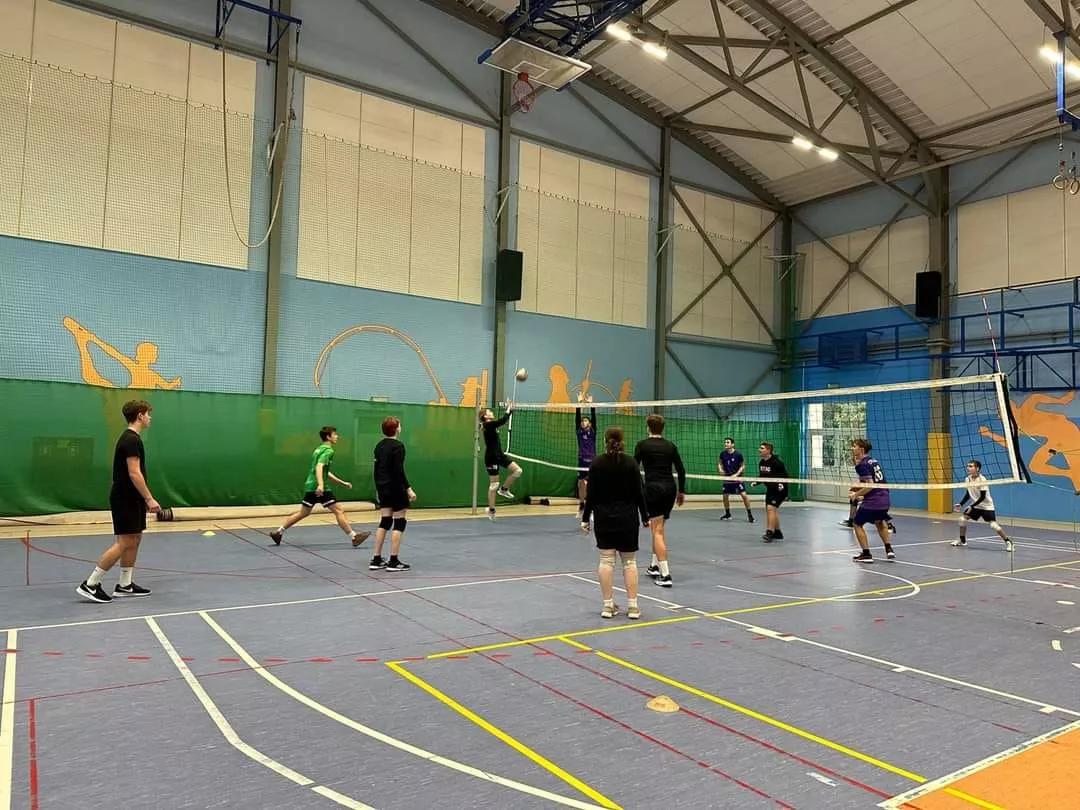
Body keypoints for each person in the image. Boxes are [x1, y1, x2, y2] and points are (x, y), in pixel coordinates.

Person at [77, 400, 159, 603]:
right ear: (139, 416)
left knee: (135, 539)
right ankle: (91, 584)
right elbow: (134, 473)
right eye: (147, 414)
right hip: (125, 497)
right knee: (125, 542)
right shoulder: (130, 440)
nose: (150, 418)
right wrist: (149, 498)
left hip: (133, 497)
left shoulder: (134, 439)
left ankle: (125, 585)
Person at [581, 426, 649, 620]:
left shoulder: (597, 463)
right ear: (622, 441)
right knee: (629, 562)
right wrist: (645, 516)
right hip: (627, 518)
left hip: (604, 518)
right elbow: (639, 492)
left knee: (606, 561)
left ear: (605, 441)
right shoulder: (631, 463)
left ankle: (608, 605)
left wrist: (585, 518)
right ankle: (633, 607)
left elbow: (591, 494)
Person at [270, 427, 370, 547]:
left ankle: (278, 532)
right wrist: (321, 485)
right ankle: (354, 537)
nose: (337, 436)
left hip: (310, 485)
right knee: (338, 510)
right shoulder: (328, 451)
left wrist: (342, 483)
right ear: (328, 437)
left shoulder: (318, 449)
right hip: (319, 487)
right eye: (334, 434)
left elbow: (324, 471)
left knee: (303, 512)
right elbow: (319, 467)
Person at [634, 413, 686, 588]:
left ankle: (665, 574)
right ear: (662, 428)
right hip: (670, 488)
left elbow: (634, 469)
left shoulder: (642, 445)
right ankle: (654, 566)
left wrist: (640, 488)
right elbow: (681, 470)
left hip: (653, 488)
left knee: (657, 531)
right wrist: (681, 491)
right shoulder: (670, 446)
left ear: (648, 427)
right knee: (659, 528)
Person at [370, 417, 417, 571]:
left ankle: (376, 559)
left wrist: (379, 488)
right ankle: (393, 561)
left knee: (385, 521)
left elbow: (376, 470)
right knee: (399, 522)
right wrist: (408, 489)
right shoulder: (398, 446)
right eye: (399, 425)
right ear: (396, 429)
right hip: (395, 488)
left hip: (383, 488)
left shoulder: (379, 446)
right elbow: (398, 471)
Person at [951, 460, 1014, 552]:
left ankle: (1008, 542)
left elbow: (982, 497)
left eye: (971, 466)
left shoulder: (982, 480)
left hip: (986, 506)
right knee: (962, 519)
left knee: (994, 525)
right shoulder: (967, 479)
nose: (968, 468)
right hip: (976, 506)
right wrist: (961, 504)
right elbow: (968, 493)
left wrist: (971, 506)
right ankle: (962, 540)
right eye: (968, 466)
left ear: (977, 468)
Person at [849, 439, 896, 563]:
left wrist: (856, 495)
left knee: (857, 523)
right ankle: (889, 549)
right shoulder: (873, 461)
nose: (852, 449)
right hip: (885, 498)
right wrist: (860, 490)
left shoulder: (862, 465)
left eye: (854, 446)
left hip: (874, 501)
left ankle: (866, 554)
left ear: (861, 449)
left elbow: (870, 485)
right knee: (879, 522)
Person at [480, 404, 522, 520]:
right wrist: (508, 410)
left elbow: (502, 421)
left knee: (518, 471)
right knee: (494, 485)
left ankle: (504, 490)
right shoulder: (487, 425)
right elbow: (502, 421)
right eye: (489, 411)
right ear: (485, 416)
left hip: (500, 455)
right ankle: (491, 510)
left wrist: (510, 410)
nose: (491, 412)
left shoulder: (490, 425)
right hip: (491, 458)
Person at [753, 442, 788, 542]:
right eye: (760, 448)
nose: (759, 450)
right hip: (771, 490)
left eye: (762, 448)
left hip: (780, 490)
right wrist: (757, 482)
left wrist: (781, 484)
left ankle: (769, 532)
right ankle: (778, 532)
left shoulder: (777, 462)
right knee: (772, 510)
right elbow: (762, 476)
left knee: (770, 508)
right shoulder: (762, 462)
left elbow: (785, 476)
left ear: (768, 450)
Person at [718, 437, 753, 523]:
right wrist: (720, 469)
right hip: (727, 478)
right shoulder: (722, 454)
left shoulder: (738, 454)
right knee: (725, 496)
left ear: (732, 444)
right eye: (725, 442)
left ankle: (750, 515)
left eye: (728, 442)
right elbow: (720, 463)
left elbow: (743, 466)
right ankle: (728, 514)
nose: (726, 444)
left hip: (737, 478)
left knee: (744, 495)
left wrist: (736, 475)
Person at [575, 395, 598, 518]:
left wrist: (591, 405)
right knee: (580, 483)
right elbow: (577, 418)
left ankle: (591, 507)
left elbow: (594, 418)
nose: (583, 422)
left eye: (585, 421)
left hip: (592, 461)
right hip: (581, 460)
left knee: (589, 483)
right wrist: (579, 404)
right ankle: (581, 504)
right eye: (582, 421)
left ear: (589, 423)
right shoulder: (579, 432)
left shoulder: (593, 431)